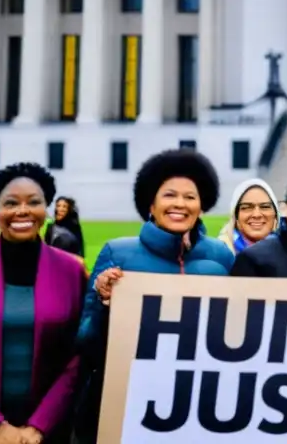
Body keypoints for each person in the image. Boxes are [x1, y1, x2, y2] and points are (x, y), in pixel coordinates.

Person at [74, 149, 233, 443]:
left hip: (201, 402)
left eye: (190, 197)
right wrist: (102, 301)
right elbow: (86, 340)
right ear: (152, 202)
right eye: (170, 195)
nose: (180, 204)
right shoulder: (117, 252)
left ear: (202, 204)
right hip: (132, 401)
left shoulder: (221, 256)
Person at [0, 163, 86, 444]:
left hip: (46, 434)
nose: (22, 211)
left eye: (33, 202)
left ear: (46, 209)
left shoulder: (72, 271)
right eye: (10, 203)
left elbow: (78, 357)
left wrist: (38, 428)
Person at [217, 178, 281, 254]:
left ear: (276, 217)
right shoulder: (219, 255)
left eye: (265, 207)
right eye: (247, 207)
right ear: (236, 217)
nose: (256, 215)